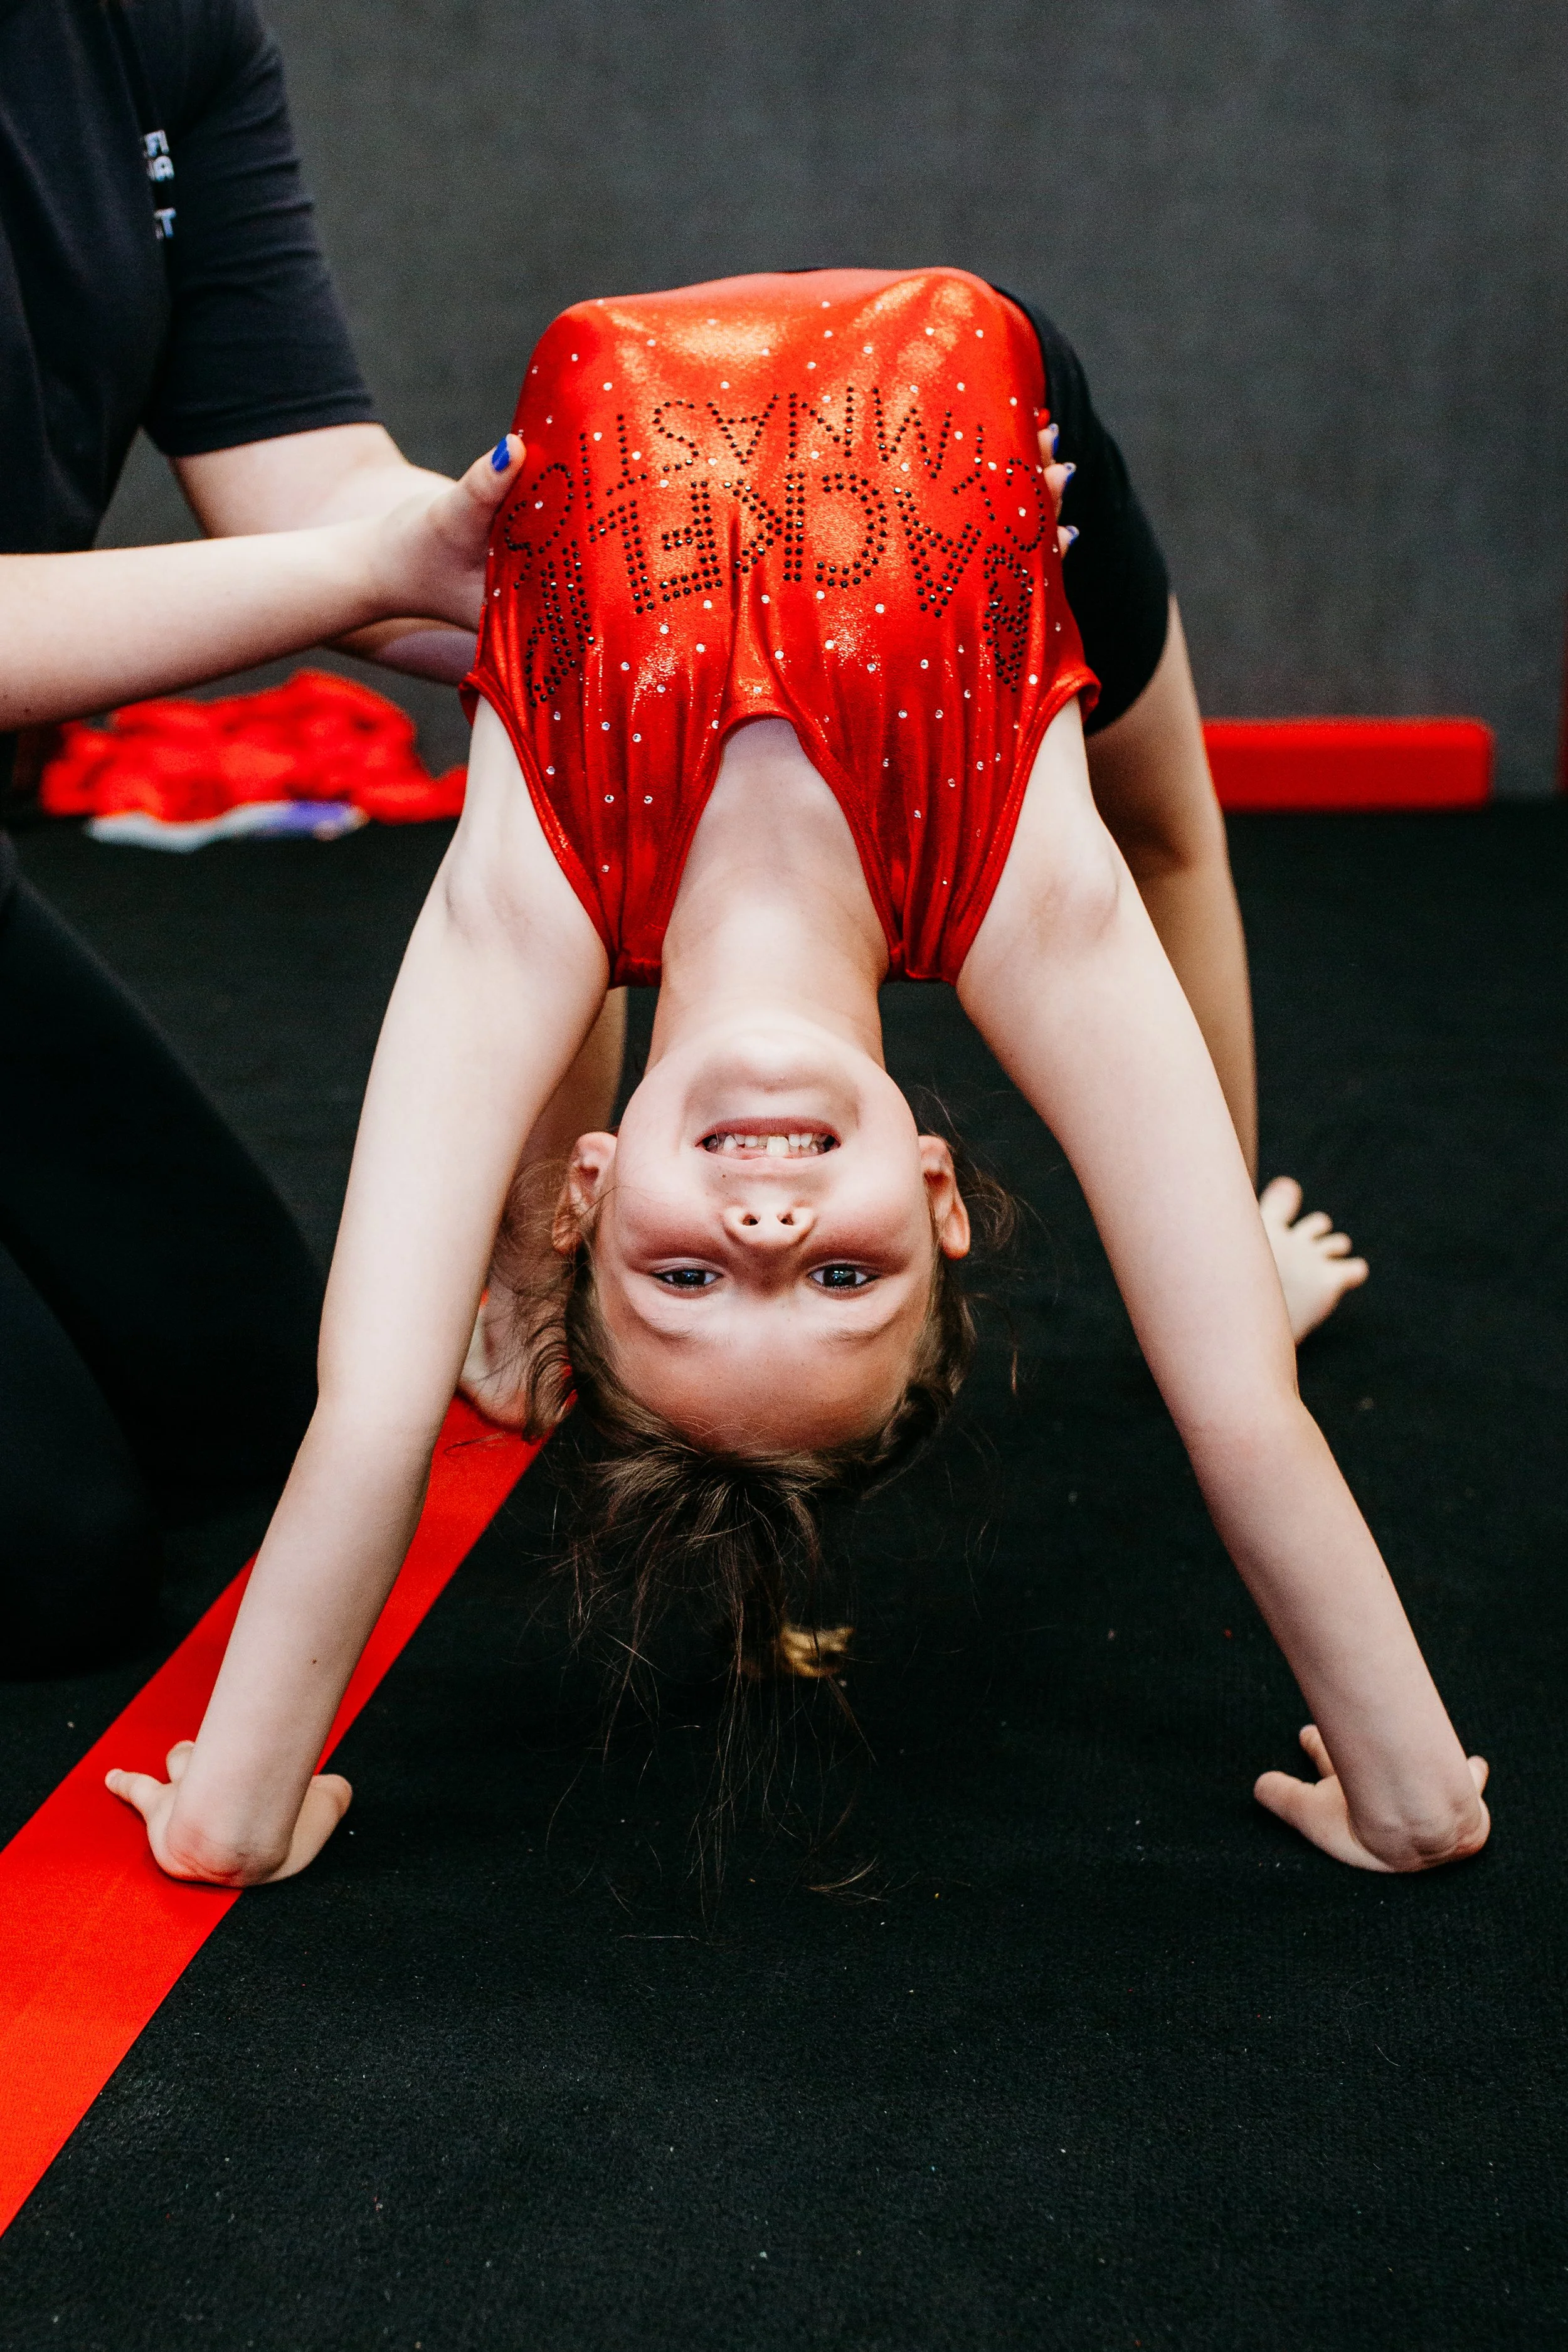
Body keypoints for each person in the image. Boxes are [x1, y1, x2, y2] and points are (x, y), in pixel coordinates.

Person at [109, 268, 1488, 1887]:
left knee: (516, 1078)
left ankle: (535, 1293)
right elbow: (1241, 1419)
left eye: (689, 1272)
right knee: (1168, 838)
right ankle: (1222, 1241)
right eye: (842, 1271)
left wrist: (236, 1813)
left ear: (596, 1193)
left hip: (651, 552)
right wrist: (1411, 1801)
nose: (766, 1219)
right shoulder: (1024, 894)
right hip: (1018, 442)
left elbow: (368, 1412)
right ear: (935, 1192)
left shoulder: (526, 901)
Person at [0, 0, 483, 1671]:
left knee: (250, 1411)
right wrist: (372, 571)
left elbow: (316, 491)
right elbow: (339, 567)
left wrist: (565, 573)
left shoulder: (156, 29)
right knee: (47, 1561)